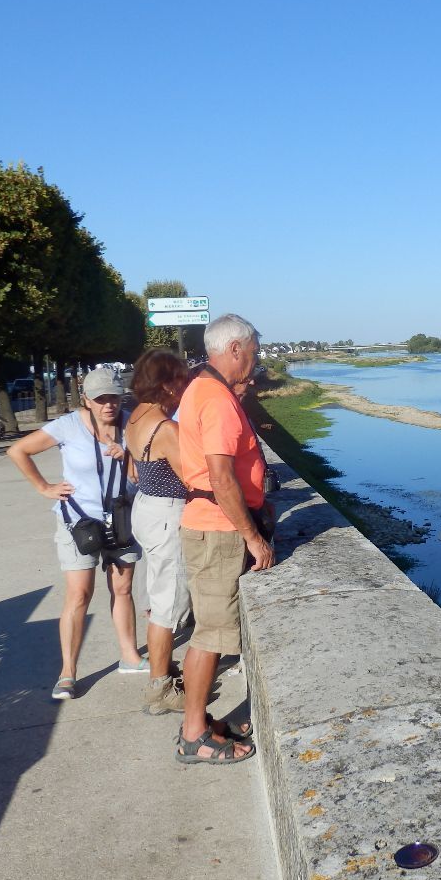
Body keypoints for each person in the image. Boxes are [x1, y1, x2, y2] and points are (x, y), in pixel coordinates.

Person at [7, 368, 147, 700]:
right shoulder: (67, 426)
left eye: (113, 397)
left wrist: (126, 456)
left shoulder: (133, 424)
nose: (108, 405)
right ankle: (68, 672)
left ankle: (129, 657)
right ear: (86, 400)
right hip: (78, 520)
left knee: (123, 588)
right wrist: (44, 487)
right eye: (100, 400)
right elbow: (18, 451)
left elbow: (146, 475)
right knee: (79, 595)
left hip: (122, 517)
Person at [175, 313, 273, 763]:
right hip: (218, 530)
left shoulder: (202, 388)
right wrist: (253, 537)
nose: (255, 358)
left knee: (210, 630)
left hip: (209, 524)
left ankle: (200, 720)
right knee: (210, 635)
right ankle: (193, 735)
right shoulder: (214, 398)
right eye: (253, 349)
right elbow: (220, 477)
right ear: (235, 348)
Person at [125, 349, 193, 715]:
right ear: (167, 384)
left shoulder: (135, 418)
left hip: (147, 508)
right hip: (168, 514)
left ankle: (161, 669)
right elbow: (194, 480)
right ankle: (160, 688)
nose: (184, 388)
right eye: (180, 380)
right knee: (168, 604)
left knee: (157, 592)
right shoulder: (167, 429)